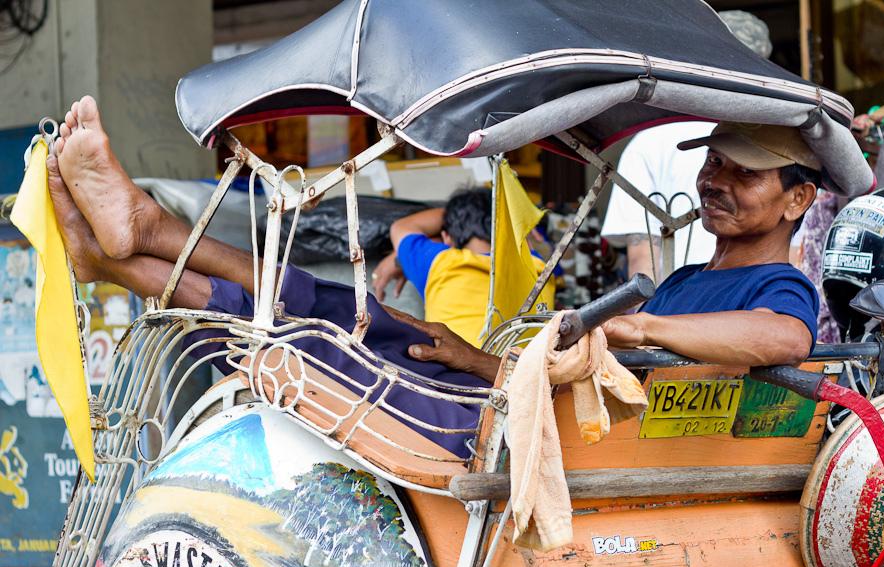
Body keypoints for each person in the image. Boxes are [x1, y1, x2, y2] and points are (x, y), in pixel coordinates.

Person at [48, 98, 820, 447]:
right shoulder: (685, 283)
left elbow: (785, 339)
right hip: (523, 410)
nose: (716, 180)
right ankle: (127, 251)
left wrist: (641, 323)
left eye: (743, 172)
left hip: (554, 444)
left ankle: (136, 245)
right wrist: (477, 359)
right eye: (713, 163)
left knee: (318, 334)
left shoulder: (778, 287)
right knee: (354, 311)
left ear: (798, 200)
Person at [601, 10, 773, 281]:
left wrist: (652, 310)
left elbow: (643, 263)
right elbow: (794, 251)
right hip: (756, 300)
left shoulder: (651, 139)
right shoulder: (778, 143)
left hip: (679, 302)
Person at [374, 187, 553, 347]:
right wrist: (494, 213)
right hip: (528, 369)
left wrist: (461, 215)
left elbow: (401, 226)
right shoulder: (538, 266)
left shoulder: (442, 262)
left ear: (447, 238)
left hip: (458, 372)